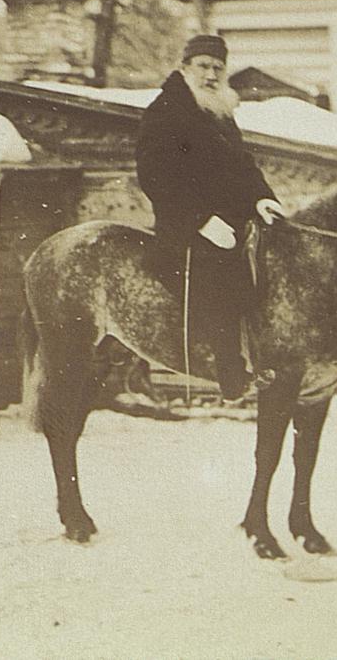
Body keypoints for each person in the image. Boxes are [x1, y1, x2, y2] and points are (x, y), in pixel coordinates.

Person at [135, 34, 284, 403]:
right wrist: (200, 221)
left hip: (230, 222)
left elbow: (241, 165)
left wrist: (263, 198)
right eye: (203, 66)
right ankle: (231, 374)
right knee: (220, 276)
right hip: (184, 228)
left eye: (218, 67)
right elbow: (154, 175)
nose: (211, 74)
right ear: (185, 68)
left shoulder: (217, 109)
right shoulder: (165, 111)